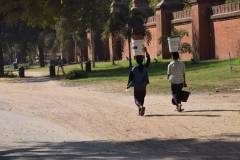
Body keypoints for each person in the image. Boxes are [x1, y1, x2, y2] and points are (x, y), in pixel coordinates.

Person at [126, 47, 150, 116]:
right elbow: (148, 60)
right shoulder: (145, 67)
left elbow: (130, 78)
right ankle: (140, 110)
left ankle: (140, 107)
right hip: (143, 86)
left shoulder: (134, 69)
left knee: (137, 99)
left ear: (136, 61)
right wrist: (146, 52)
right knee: (142, 97)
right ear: (142, 60)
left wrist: (128, 85)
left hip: (137, 87)